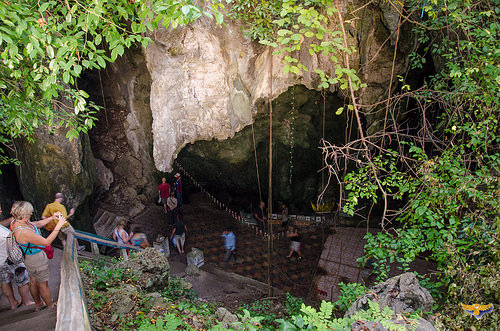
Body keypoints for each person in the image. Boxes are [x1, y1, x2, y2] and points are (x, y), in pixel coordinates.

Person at [10, 201, 67, 310]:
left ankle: (38, 304)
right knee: (42, 284)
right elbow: (46, 242)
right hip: (35, 259)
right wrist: (58, 226)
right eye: (29, 213)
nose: (31, 214)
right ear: (23, 215)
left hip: (29, 258)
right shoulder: (23, 232)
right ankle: (50, 306)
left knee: (33, 280)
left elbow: (36, 225)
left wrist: (51, 218)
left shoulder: (16, 222)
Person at [0, 207, 34, 310]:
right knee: (22, 280)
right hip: (11, 258)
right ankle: (26, 301)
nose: (1, 211)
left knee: (5, 281)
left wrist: (11, 220)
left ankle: (13, 303)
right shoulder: (3, 235)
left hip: (0, 261)